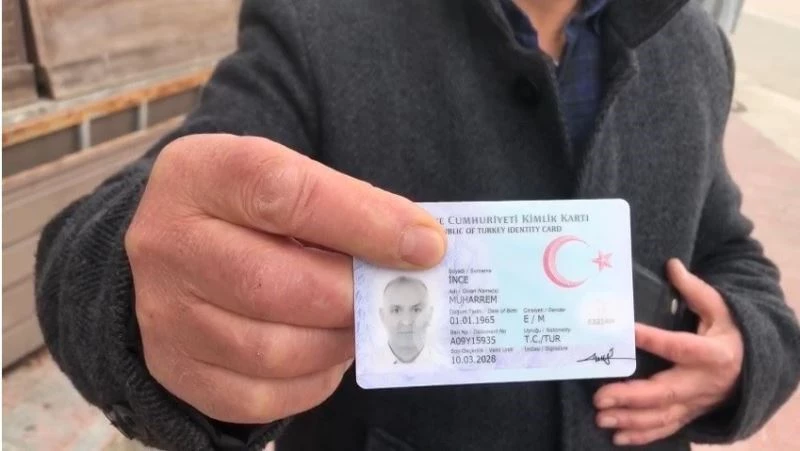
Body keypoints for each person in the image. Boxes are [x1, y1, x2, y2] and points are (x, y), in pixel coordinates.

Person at [34, 0, 800, 450]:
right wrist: (142, 290)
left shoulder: (694, 47)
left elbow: (729, 250)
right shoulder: (322, 24)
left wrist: (742, 355)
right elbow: (122, 232)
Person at [379, 276, 434, 364]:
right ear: (382, 316)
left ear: (429, 315)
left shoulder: (445, 365)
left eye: (416, 310)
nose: (407, 322)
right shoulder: (367, 364)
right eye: (396, 310)